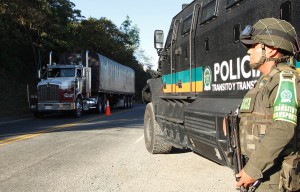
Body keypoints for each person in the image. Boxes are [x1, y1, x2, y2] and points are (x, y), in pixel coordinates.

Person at [236, 18, 300, 191]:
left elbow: (283, 128)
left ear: (270, 50)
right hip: (263, 175)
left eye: (253, 46)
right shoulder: (265, 81)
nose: (248, 52)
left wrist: (253, 169)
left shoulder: (285, 79)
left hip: (275, 179)